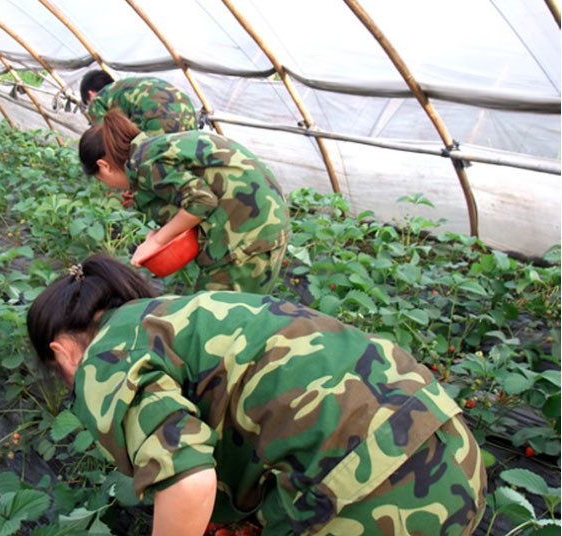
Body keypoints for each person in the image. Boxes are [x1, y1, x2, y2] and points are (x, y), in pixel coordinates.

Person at [27, 255, 487, 536]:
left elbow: (190, 482)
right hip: (451, 450)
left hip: (371, 496)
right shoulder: (182, 312)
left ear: (61, 353)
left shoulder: (102, 360)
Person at [80, 109, 289, 294]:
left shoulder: (144, 164)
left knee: (215, 318)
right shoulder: (150, 150)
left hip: (246, 233)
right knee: (244, 312)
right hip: (264, 220)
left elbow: (202, 201)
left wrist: (157, 240)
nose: (109, 187)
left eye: (101, 179)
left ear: (104, 166)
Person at [80, 70, 198, 137]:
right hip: (188, 113)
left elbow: (105, 138)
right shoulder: (127, 86)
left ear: (91, 94)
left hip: (159, 117)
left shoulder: (99, 100)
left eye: (88, 103)